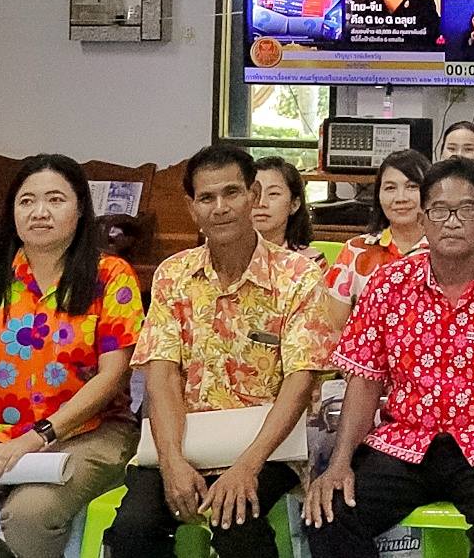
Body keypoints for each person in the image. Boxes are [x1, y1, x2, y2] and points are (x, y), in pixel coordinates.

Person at [304, 157, 474, 558]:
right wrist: (339, 463)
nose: (452, 222)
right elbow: (365, 382)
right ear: (423, 219)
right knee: (329, 514)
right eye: (440, 210)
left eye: (466, 210)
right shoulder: (389, 284)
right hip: (404, 442)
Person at [113, 145, 331, 558]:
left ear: (253, 196)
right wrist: (172, 462)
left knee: (236, 521)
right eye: (206, 198)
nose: (220, 208)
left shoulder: (298, 275)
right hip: (185, 441)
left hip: (268, 447)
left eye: (231, 193)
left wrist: (247, 466)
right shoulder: (173, 275)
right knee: (132, 529)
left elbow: (300, 381)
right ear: (192, 207)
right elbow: (161, 376)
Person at [0, 155, 141, 558]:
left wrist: (38, 436)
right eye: (27, 201)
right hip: (3, 434)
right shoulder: (1, 275)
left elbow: (112, 376)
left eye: (55, 200)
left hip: (90, 433)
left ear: (80, 210)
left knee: (29, 514)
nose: (39, 212)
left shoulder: (110, 275)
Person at [322, 150, 428, 322]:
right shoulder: (355, 251)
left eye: (412, 187)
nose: (400, 198)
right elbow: (333, 327)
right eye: (390, 188)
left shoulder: (446, 252)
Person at [252, 156, 316, 253]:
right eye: (254, 193)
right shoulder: (228, 256)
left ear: (294, 204)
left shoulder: (310, 260)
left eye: (273, 193)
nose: (261, 203)